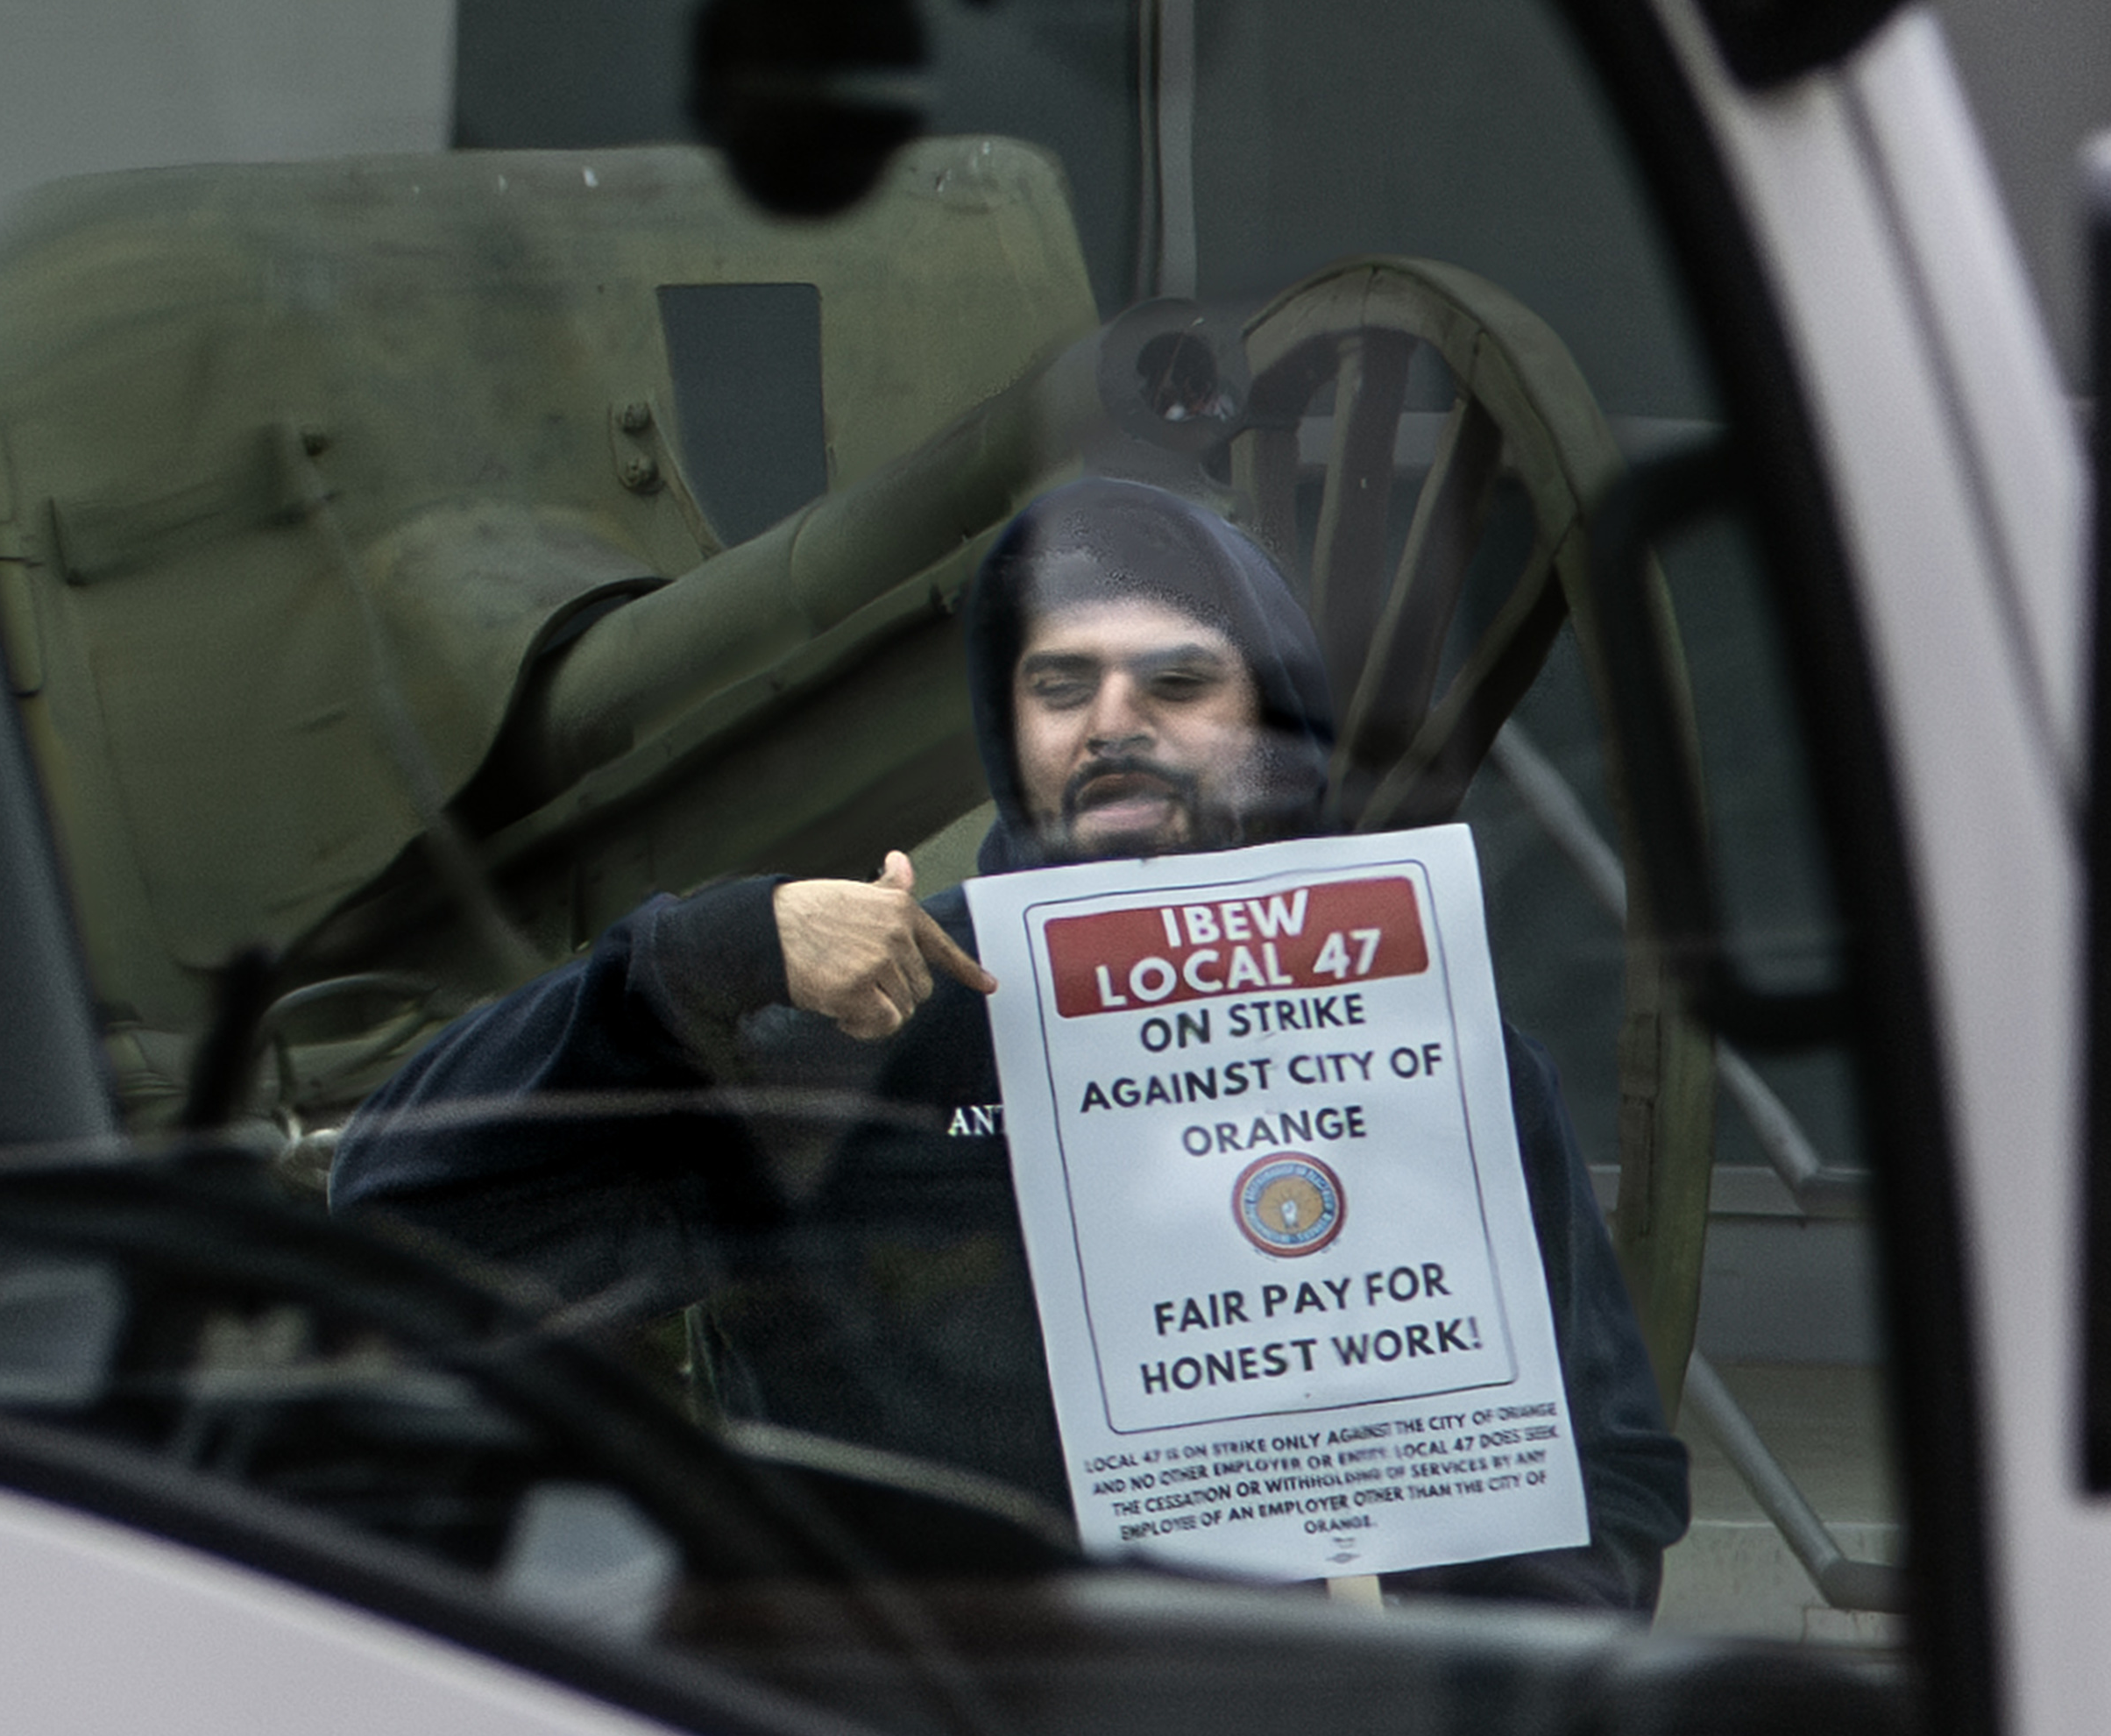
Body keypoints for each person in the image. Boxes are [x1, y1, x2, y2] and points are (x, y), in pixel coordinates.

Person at [331, 477, 1689, 1607]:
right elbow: (402, 1211)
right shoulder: (854, 1030)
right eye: (1062, 685)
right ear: (1010, 729)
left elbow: (1602, 1460)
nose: (1113, 721)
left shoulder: (1432, 1049)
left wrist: (1493, 1704)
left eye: (1175, 679)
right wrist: (704, 961)